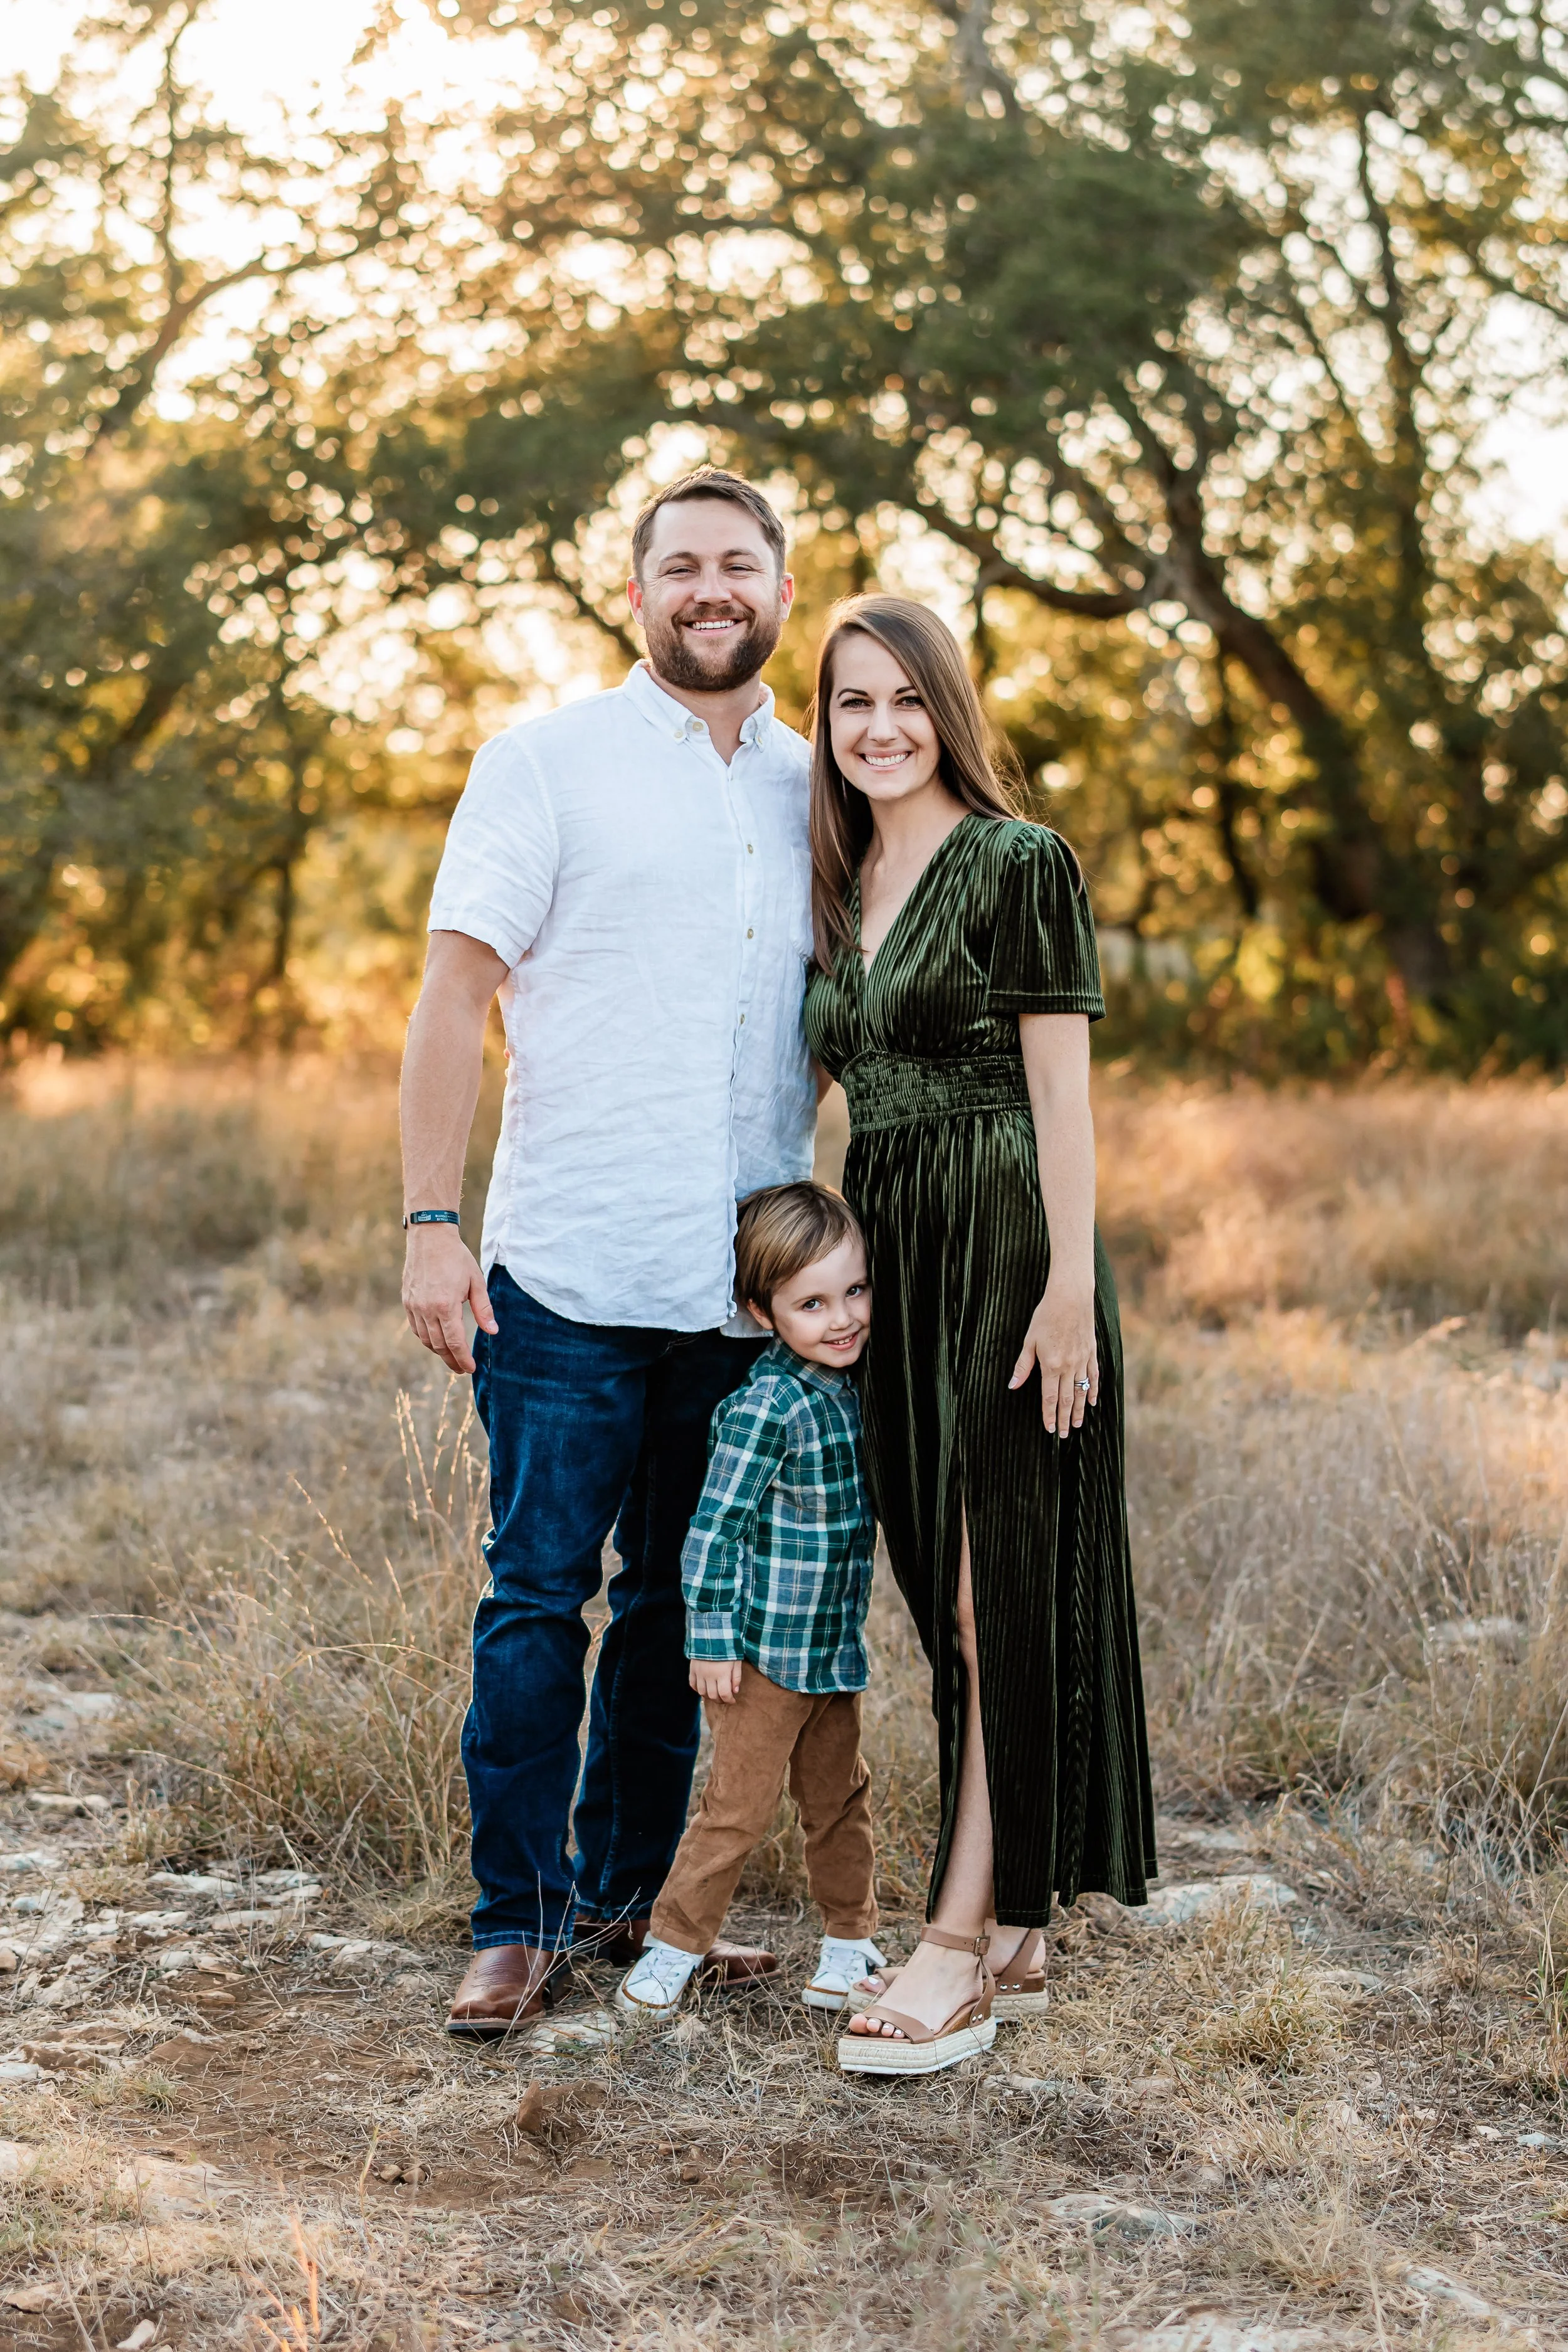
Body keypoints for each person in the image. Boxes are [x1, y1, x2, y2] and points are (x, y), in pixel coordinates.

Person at [400, 467, 818, 2035]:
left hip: (737, 1291)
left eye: (739, 566)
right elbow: (453, 996)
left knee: (670, 1613)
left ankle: (630, 1904)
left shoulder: (822, 787)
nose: (711, 590)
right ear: (635, 592)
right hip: (568, 1271)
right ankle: (511, 1923)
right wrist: (431, 1226)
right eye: (681, 566)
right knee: (534, 1601)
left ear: (779, 591)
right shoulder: (545, 763)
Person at [800, 594, 1157, 2077]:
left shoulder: (1017, 862)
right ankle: (1017, 1919)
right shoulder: (837, 880)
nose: (878, 728)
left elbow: (1061, 1093)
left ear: (945, 710)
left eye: (905, 699)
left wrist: (1067, 1285)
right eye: (850, 703)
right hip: (892, 1248)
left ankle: (952, 1949)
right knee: (936, 1588)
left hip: (1007, 1245)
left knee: (987, 1585)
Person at [615, 1181, 889, 2025]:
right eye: (812, 1303)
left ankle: (849, 1944)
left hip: (832, 1649)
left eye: (854, 1291)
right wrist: (710, 1638)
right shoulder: (765, 1405)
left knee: (839, 1801)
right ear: (762, 1312)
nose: (842, 1318)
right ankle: (673, 1946)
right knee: (735, 1810)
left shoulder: (857, 1387)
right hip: (763, 1654)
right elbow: (713, 1529)